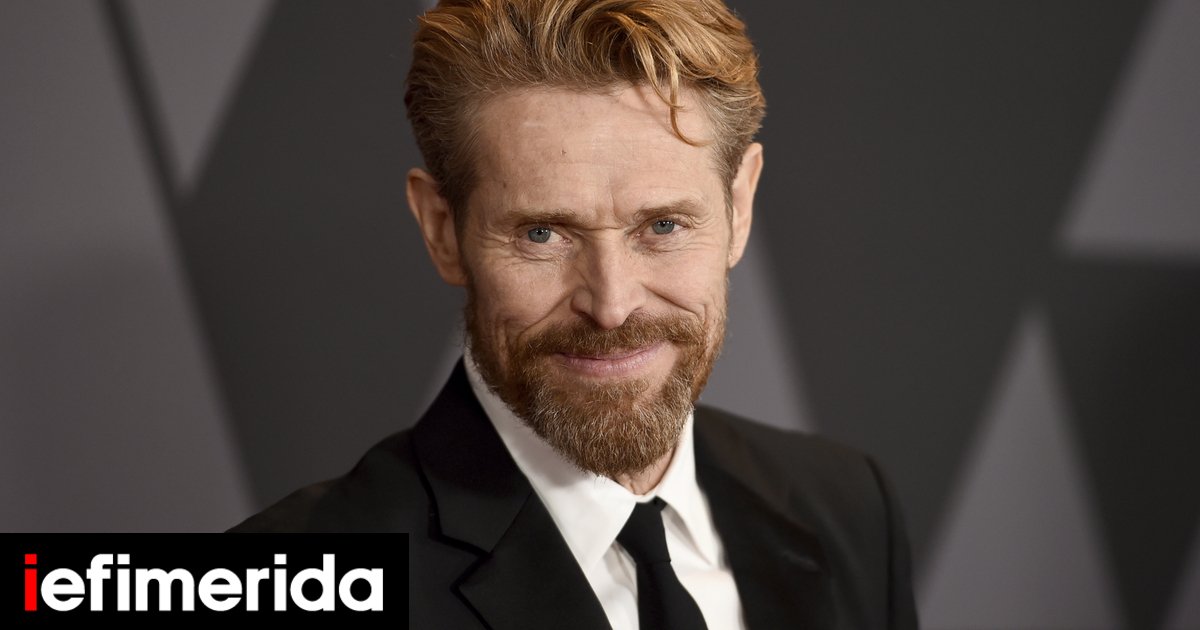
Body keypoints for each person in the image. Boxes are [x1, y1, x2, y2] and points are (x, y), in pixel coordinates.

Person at [231, 0, 919, 628]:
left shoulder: (847, 508)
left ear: (739, 208)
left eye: (664, 226)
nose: (611, 305)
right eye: (542, 234)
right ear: (442, 230)